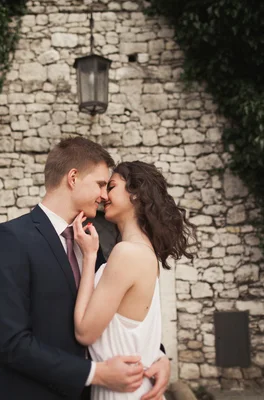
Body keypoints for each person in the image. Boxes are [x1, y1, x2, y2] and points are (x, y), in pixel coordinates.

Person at [0, 138, 171, 400]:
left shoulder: (91, 244)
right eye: (101, 184)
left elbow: (117, 313)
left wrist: (158, 356)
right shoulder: (10, 239)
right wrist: (95, 373)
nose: (105, 196)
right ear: (73, 178)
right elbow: (12, 343)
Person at [72, 161, 196, 400]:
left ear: (136, 194)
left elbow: (84, 333)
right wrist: (160, 357)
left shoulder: (126, 253)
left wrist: (89, 257)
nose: (104, 195)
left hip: (120, 393)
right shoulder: (146, 252)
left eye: (112, 186)